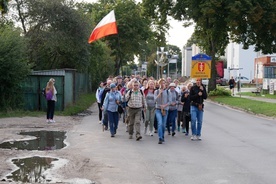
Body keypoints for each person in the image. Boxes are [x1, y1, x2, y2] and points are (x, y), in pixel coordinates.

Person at [154, 78, 171, 144]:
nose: (162, 84)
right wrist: (159, 93)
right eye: (161, 83)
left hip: (165, 110)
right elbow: (154, 100)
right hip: (158, 109)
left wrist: (165, 105)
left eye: (163, 83)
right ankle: (160, 137)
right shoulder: (156, 91)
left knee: (163, 125)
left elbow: (169, 101)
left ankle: (162, 135)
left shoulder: (167, 92)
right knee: (160, 123)